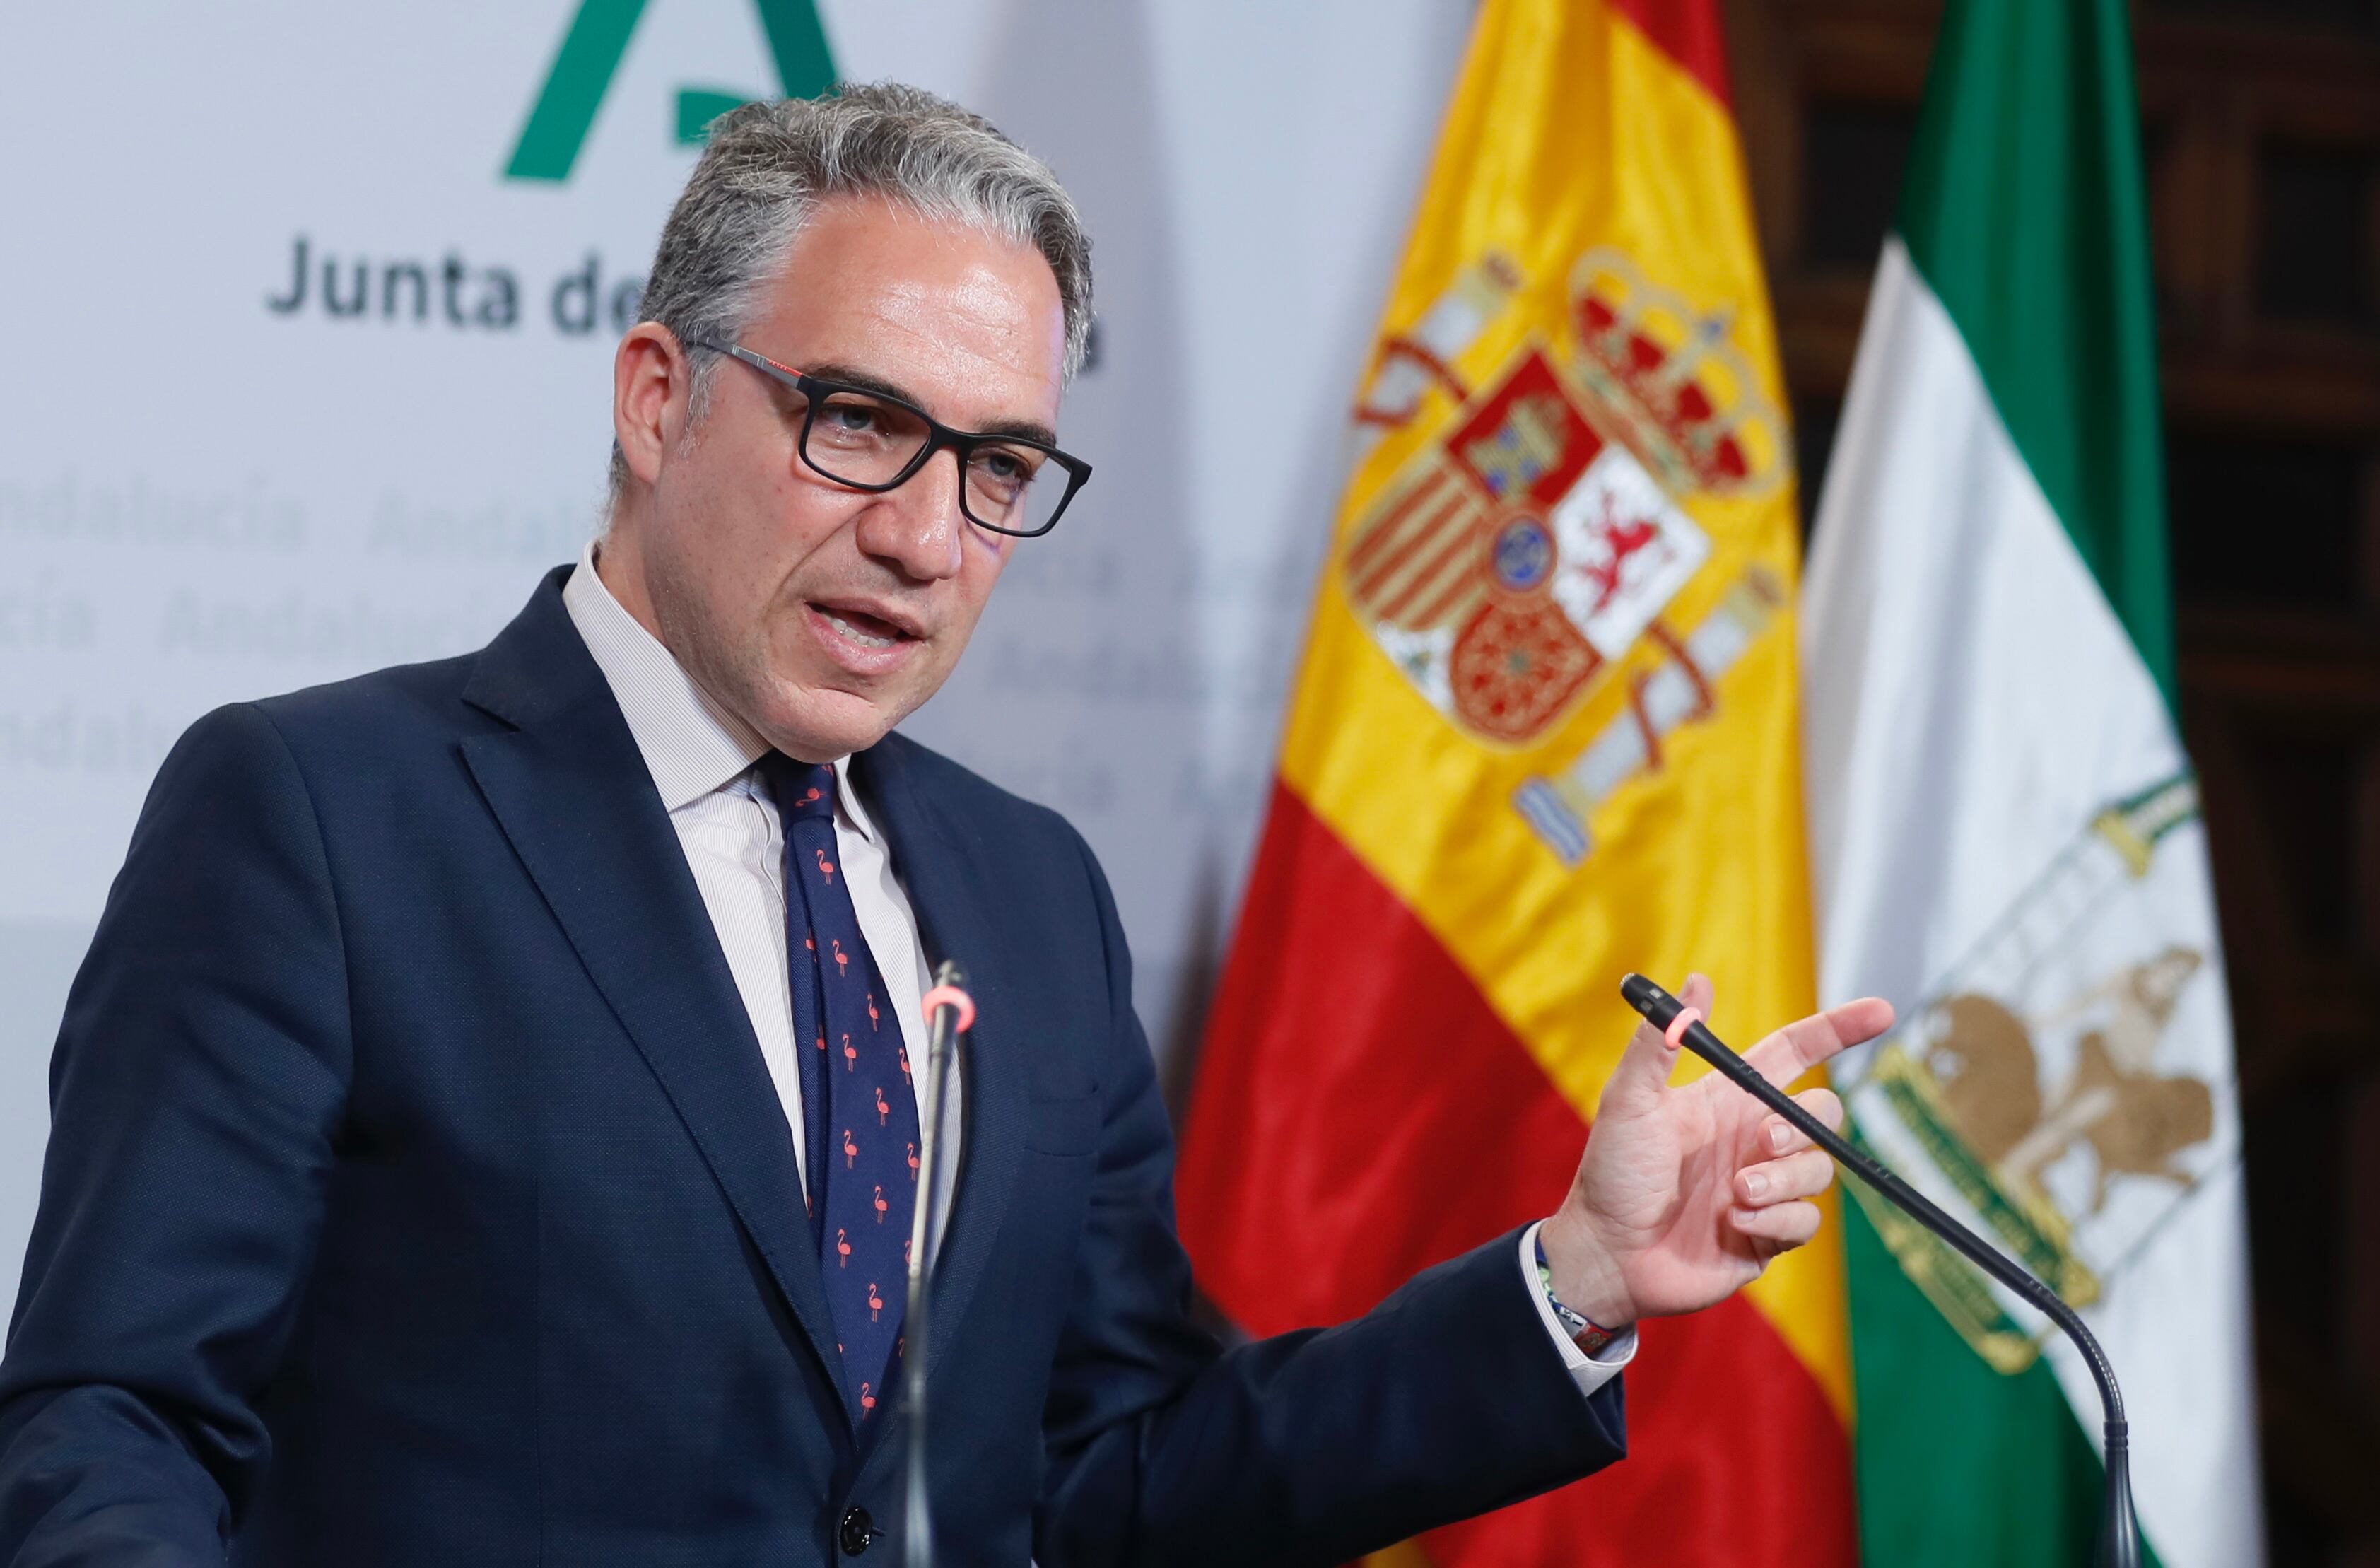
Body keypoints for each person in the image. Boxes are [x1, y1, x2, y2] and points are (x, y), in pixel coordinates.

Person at [0, 85, 1887, 1567]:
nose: (925, 537)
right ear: (657, 401)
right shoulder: (325, 817)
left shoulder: (1026, 894)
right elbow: (111, 1431)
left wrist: (1574, 1276)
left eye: (996, 468)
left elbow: (1113, 1474)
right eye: (857, 424)